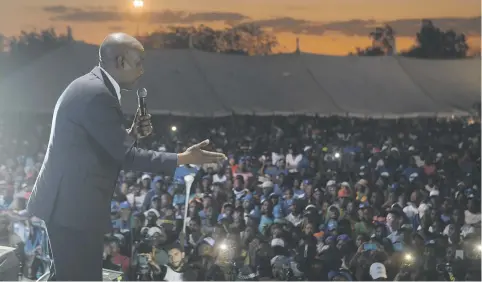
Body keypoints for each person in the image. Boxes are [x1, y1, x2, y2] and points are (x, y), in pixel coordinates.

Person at [26, 33, 226, 281]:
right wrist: (184, 158)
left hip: (68, 204)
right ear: (120, 62)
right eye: (138, 62)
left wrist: (130, 133)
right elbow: (127, 157)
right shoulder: (98, 95)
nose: (142, 70)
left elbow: (101, 146)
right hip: (73, 209)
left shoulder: (90, 85)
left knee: (66, 276)